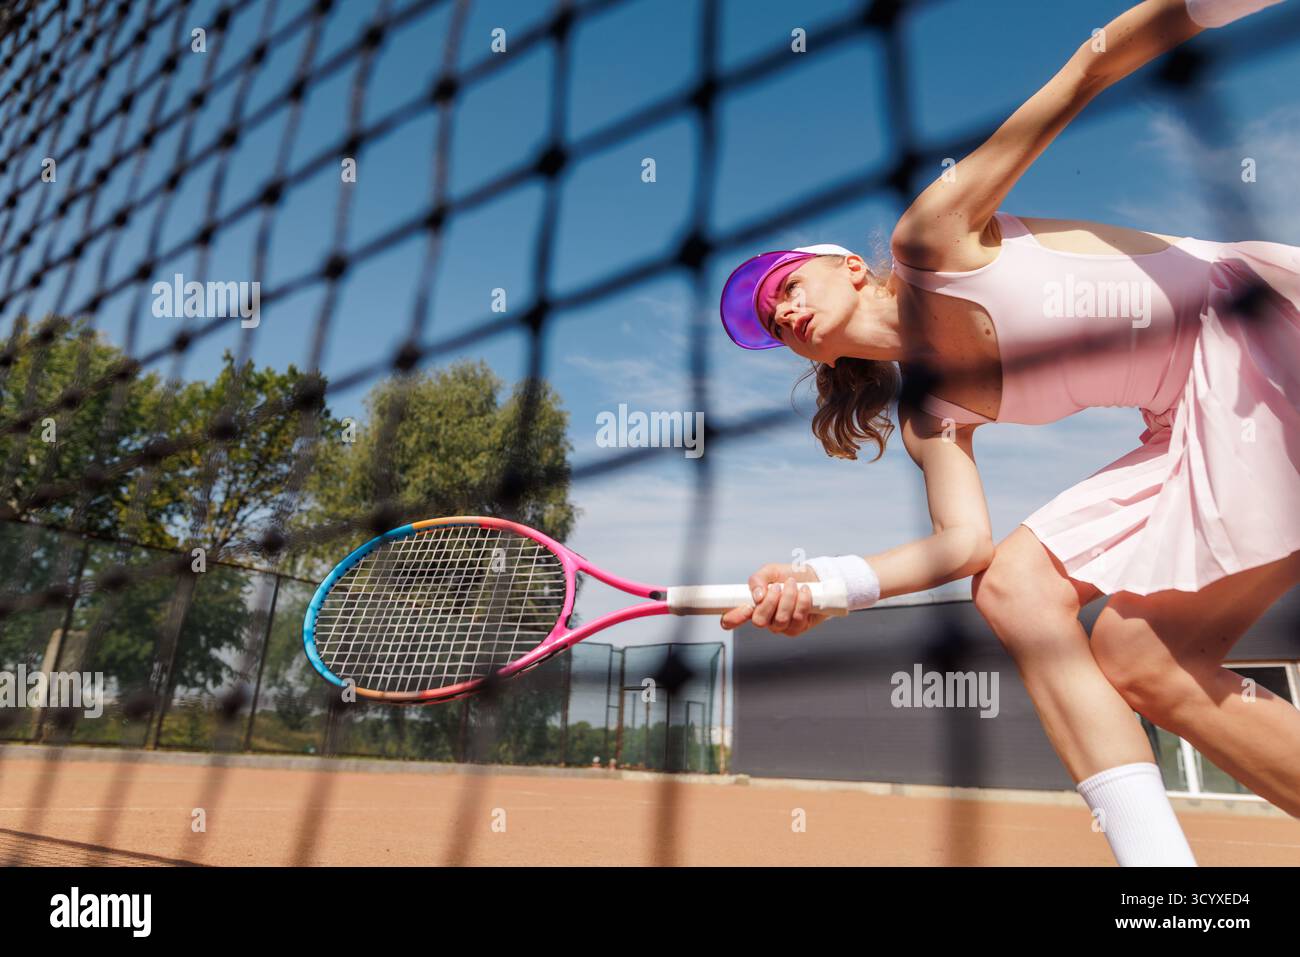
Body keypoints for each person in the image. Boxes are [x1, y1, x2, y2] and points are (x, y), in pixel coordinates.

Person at [717, 0, 1296, 867]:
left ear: (845, 264)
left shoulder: (933, 238)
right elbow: (965, 545)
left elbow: (1086, 71)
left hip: (1258, 331)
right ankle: (1169, 889)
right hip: (1187, 421)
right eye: (771, 319)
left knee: (1118, 640)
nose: (784, 311)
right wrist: (828, 583)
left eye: (784, 286)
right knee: (1045, 604)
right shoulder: (928, 412)